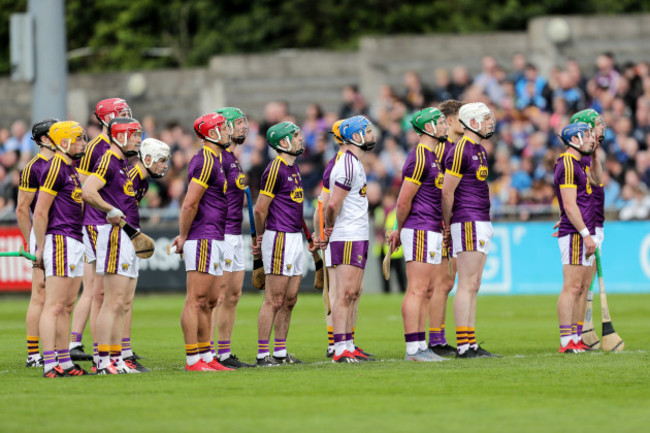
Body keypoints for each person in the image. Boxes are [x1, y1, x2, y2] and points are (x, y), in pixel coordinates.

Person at [171, 113, 234, 372]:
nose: (228, 131)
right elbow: (190, 203)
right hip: (202, 236)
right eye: (222, 127)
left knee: (210, 301)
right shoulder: (205, 160)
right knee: (195, 300)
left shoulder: (217, 159)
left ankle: (207, 356)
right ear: (210, 133)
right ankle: (192, 359)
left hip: (215, 236)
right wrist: (183, 236)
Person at [82, 117, 144, 374]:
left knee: (123, 302)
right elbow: (88, 190)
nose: (139, 140)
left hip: (124, 236)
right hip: (114, 235)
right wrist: (110, 209)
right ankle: (104, 361)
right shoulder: (108, 159)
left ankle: (116, 359)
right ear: (119, 137)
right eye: (134, 135)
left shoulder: (120, 163)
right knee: (112, 302)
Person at [389, 108, 449, 362]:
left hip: (431, 227)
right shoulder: (420, 158)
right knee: (417, 289)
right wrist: (398, 229)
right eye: (441, 123)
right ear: (428, 128)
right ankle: (413, 349)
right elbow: (403, 201)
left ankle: (421, 345)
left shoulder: (432, 156)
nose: (446, 126)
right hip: (420, 227)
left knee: (427, 289)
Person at [75, 98, 132, 365]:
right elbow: (84, 186)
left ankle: (116, 351)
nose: (126, 116)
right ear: (107, 118)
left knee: (111, 293)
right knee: (101, 291)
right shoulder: (97, 147)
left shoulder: (120, 145)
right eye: (121, 113)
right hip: (98, 222)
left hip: (109, 222)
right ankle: (103, 353)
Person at [442, 102, 499, 358]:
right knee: (466, 283)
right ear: (472, 122)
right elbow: (447, 192)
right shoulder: (461, 149)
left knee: (474, 283)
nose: (490, 122)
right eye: (485, 118)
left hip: (479, 220)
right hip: (467, 220)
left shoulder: (478, 149)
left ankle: (471, 342)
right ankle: (464, 346)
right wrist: (447, 223)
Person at [32, 121, 88, 377]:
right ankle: (49, 362)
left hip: (74, 240)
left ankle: (65, 361)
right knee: (53, 305)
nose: (82, 144)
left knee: (66, 306)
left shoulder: (71, 168)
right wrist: (40, 246)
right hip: (60, 240)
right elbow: (40, 210)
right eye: (77, 139)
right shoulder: (56, 167)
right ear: (63, 142)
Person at [252, 122, 311, 366]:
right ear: (283, 142)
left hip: (295, 236)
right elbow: (259, 209)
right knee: (274, 299)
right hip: (279, 237)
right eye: (295, 136)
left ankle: (280, 351)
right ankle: (262, 354)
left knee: (290, 299)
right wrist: (261, 236)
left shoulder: (293, 168)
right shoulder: (275, 169)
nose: (300, 139)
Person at [321, 115, 375, 363]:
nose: (372, 134)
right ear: (356, 137)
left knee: (352, 292)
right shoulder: (347, 164)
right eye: (367, 130)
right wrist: (329, 227)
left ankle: (348, 345)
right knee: (344, 293)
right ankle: (340, 349)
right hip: (347, 236)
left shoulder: (354, 163)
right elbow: (332, 204)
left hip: (356, 235)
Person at [121, 137, 172, 372]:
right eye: (161, 161)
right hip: (121, 236)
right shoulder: (131, 178)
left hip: (128, 235)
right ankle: (115, 354)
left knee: (126, 299)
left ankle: (124, 350)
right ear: (148, 159)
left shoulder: (142, 181)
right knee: (117, 299)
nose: (164, 166)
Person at [211, 107, 255, 368]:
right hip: (222, 232)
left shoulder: (232, 158)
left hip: (235, 232)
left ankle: (225, 352)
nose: (242, 127)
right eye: (236, 123)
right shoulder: (219, 158)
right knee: (218, 296)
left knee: (234, 295)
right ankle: (210, 352)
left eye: (242, 122)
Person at [553, 122, 598, 353]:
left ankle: (576, 338)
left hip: (581, 230)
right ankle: (566, 341)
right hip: (575, 233)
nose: (592, 139)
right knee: (571, 287)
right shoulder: (568, 164)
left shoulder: (580, 162)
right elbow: (570, 205)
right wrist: (585, 234)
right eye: (588, 135)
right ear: (575, 139)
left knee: (581, 287)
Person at [16, 118, 57, 367]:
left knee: (62, 297)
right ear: (43, 139)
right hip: (43, 233)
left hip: (67, 233)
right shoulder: (33, 168)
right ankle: (34, 354)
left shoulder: (67, 163)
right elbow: (22, 208)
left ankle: (59, 350)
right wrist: (30, 241)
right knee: (40, 293)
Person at [428, 99, 464, 357]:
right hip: (438, 224)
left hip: (444, 223)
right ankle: (435, 340)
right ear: (450, 121)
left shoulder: (453, 147)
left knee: (445, 282)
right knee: (441, 283)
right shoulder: (442, 150)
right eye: (463, 117)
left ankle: (436, 337)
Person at [570, 109, 605, 350]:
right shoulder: (577, 157)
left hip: (596, 221)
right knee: (579, 285)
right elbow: (577, 193)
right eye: (599, 125)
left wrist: (596, 152)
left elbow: (599, 181)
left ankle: (582, 333)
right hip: (588, 224)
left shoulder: (590, 154)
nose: (603, 128)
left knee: (585, 285)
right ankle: (575, 334)